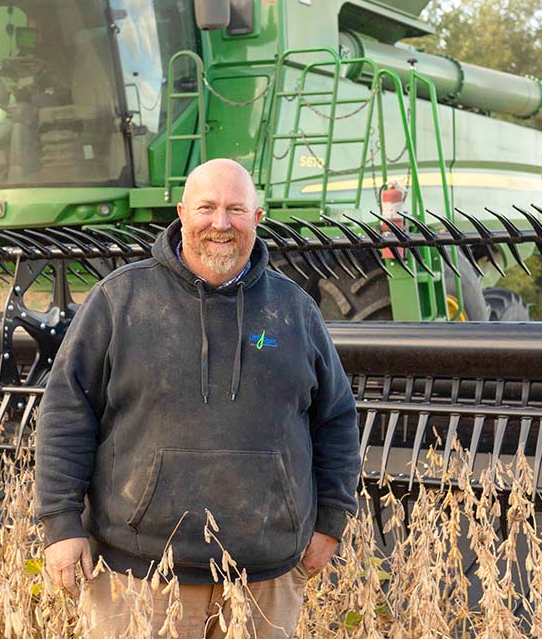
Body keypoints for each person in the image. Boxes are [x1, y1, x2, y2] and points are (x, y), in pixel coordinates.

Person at [34, 158, 361, 638]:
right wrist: (62, 524)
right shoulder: (120, 301)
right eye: (207, 208)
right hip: (140, 578)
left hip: (263, 580)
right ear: (183, 213)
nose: (220, 223)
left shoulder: (294, 311)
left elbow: (335, 420)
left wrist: (331, 521)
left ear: (258, 217)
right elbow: (66, 413)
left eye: (235, 209)